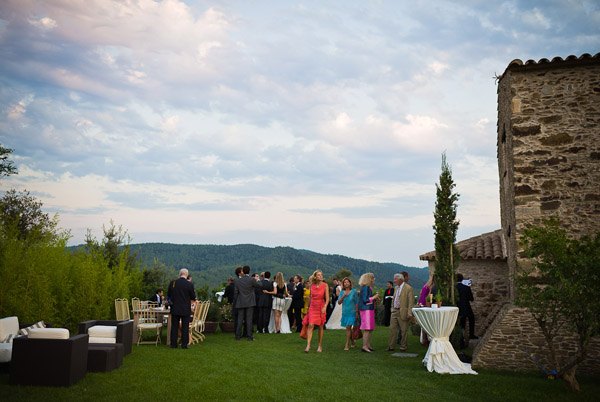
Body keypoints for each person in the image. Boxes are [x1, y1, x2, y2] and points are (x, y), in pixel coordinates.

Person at [167, 268, 197, 349]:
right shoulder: (189, 284)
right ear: (186, 275)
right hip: (185, 308)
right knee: (185, 327)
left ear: (179, 274)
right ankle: (184, 344)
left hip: (175, 308)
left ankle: (173, 344)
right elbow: (193, 297)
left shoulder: (173, 283)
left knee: (174, 326)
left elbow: (169, 295)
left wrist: (171, 303)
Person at [387, 272, 414, 352]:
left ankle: (403, 347)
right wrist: (392, 308)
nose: (394, 281)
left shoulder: (408, 288)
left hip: (403, 312)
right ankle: (391, 346)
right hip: (394, 311)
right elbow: (394, 298)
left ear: (401, 279)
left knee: (404, 330)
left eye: (395, 279)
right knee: (392, 329)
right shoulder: (396, 288)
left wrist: (409, 313)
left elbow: (411, 302)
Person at [234, 265, 262, 341]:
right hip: (250, 302)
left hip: (240, 302)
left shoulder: (237, 281)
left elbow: (236, 293)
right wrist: (258, 280)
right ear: (249, 271)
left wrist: (235, 303)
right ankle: (249, 336)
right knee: (249, 320)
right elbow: (259, 286)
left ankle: (237, 336)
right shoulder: (252, 279)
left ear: (243, 271)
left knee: (240, 320)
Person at [304, 270, 329, 353]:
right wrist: (307, 308)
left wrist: (325, 306)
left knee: (321, 326)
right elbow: (310, 297)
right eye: (318, 275)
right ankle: (308, 345)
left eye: (321, 275)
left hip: (321, 306)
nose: (320, 276)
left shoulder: (325, 285)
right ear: (315, 277)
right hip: (313, 307)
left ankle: (319, 345)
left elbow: (327, 298)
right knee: (311, 325)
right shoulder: (312, 286)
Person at [358, 272, 379, 353]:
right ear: (369, 279)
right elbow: (365, 300)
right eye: (373, 278)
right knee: (367, 328)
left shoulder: (367, 288)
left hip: (369, 309)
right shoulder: (366, 287)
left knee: (370, 328)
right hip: (366, 310)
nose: (374, 280)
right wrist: (374, 297)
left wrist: (373, 299)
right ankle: (364, 346)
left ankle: (368, 345)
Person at [338, 277, 358, 351]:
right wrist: (343, 296)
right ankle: (352, 342)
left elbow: (356, 302)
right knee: (349, 329)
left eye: (347, 282)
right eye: (345, 282)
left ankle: (347, 344)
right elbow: (339, 302)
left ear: (350, 283)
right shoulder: (341, 292)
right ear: (343, 284)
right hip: (345, 312)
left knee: (348, 328)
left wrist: (356, 312)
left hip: (352, 312)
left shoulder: (354, 291)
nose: (346, 283)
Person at [456, 273, 477, 340]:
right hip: (466, 307)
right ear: (462, 279)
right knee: (471, 319)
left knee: (461, 323)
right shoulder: (466, 287)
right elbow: (471, 298)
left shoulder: (453, 289)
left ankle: (461, 337)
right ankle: (471, 335)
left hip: (457, 307)